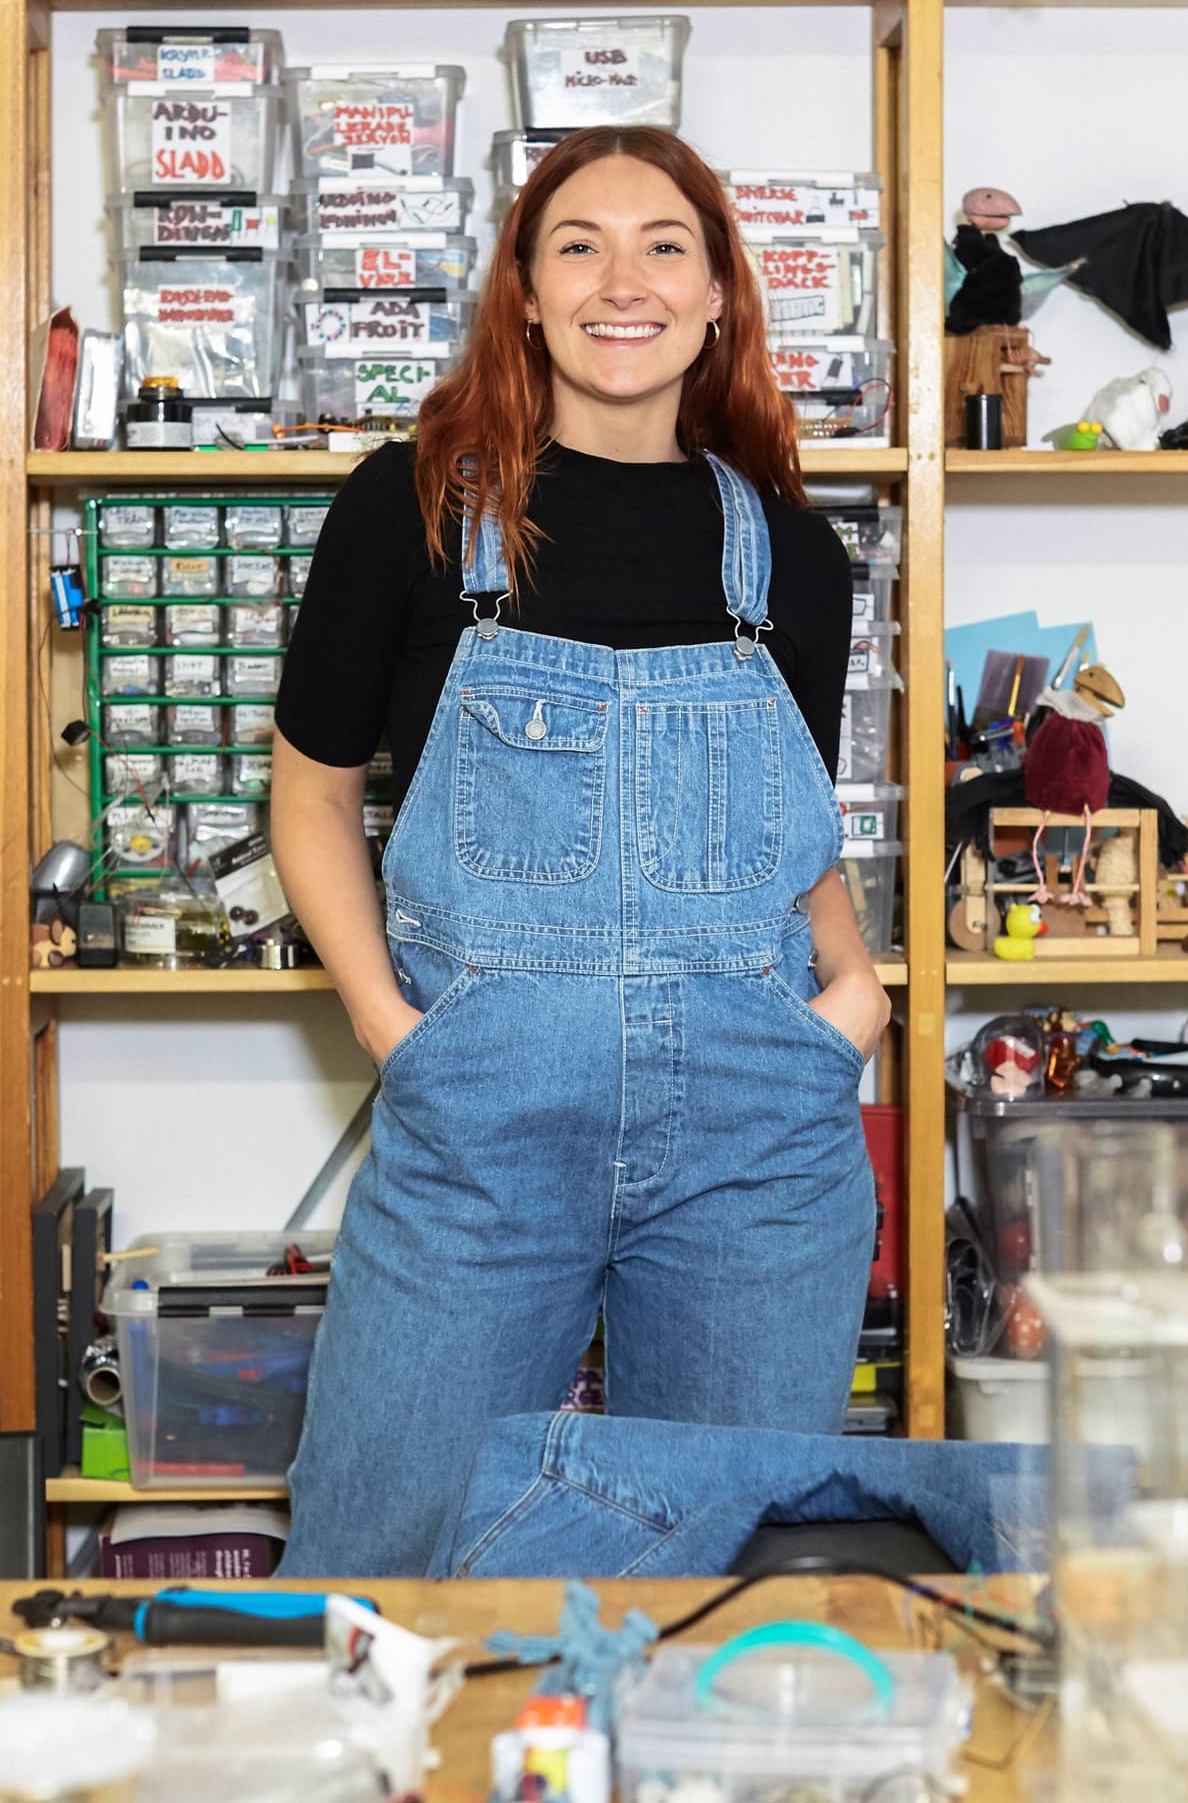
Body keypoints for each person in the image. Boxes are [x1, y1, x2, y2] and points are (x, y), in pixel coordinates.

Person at [270, 125, 891, 1576]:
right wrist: (389, 1025)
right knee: (386, 1553)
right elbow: (306, 800)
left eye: (665, 245)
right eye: (580, 246)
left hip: (759, 1137)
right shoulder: (412, 505)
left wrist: (852, 996)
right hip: (485, 1119)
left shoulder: (792, 553)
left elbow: (790, 823)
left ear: (720, 294)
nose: (627, 281)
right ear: (527, 293)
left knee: (719, 1573)